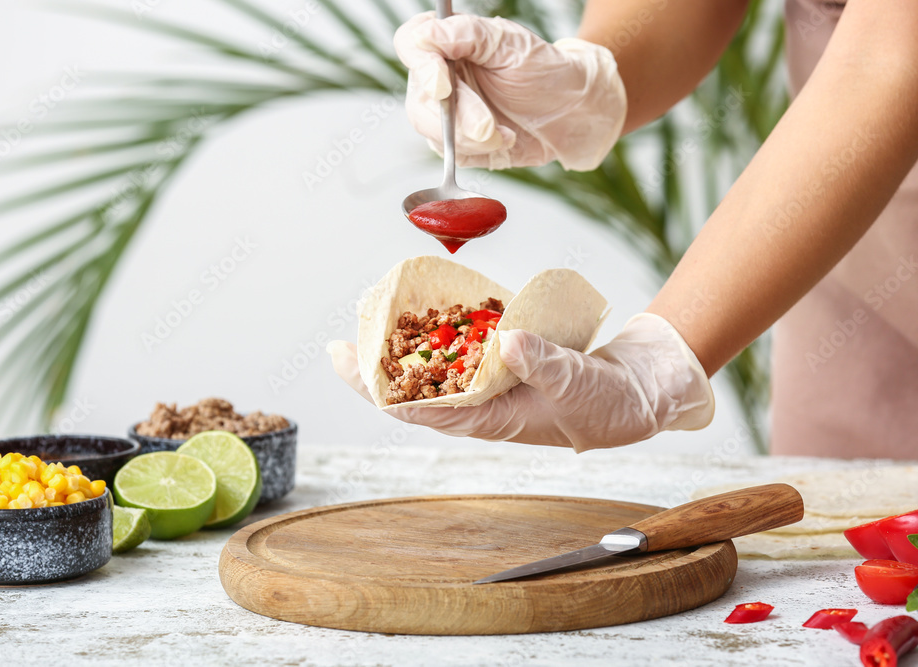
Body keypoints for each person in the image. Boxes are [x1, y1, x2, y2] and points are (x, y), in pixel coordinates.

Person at [328, 0, 918, 459]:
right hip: (846, 266)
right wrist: (588, 80)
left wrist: (659, 362)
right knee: (838, 571)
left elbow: (888, 58)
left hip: (845, 182)